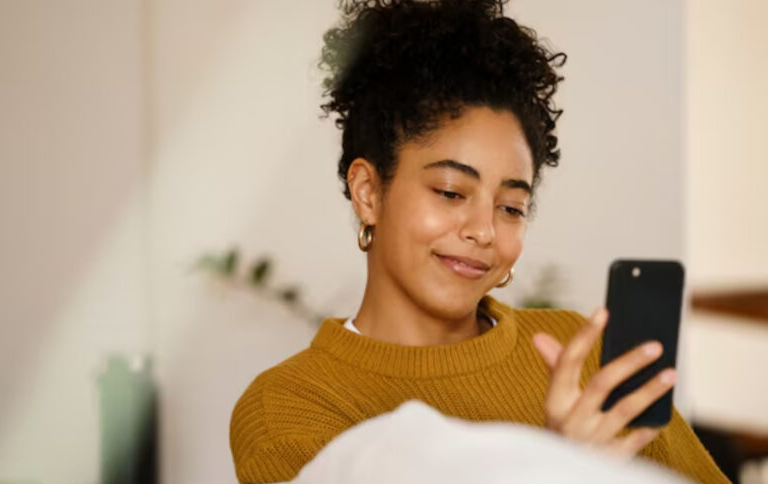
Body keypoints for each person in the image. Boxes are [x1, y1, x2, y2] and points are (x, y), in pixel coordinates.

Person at [229, 1, 729, 483]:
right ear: (368, 192)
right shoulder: (290, 406)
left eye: (511, 207)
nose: (484, 231)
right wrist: (564, 469)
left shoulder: (579, 355)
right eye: (451, 192)